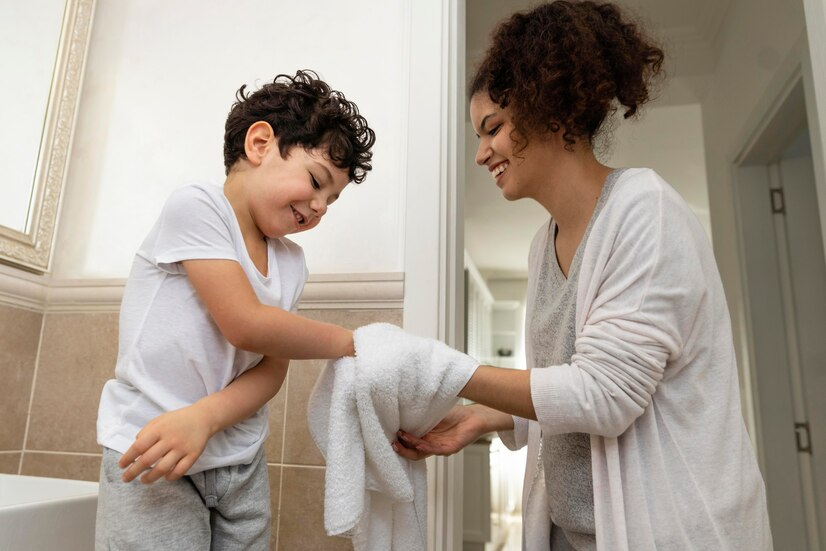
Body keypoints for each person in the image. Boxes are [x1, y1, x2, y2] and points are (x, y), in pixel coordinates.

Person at [393, 2, 772, 549]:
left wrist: (441, 370)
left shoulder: (645, 211)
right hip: (572, 536)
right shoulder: (539, 249)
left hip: (671, 533)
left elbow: (605, 394)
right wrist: (480, 418)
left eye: (492, 128)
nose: (480, 154)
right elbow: (565, 385)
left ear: (551, 108)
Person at [94, 70, 376, 550]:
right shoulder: (198, 206)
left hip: (239, 458)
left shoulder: (291, 263)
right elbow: (246, 325)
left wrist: (206, 417)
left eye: (331, 201)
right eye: (315, 181)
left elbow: (270, 369)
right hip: (156, 448)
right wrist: (357, 344)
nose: (320, 207)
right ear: (261, 143)